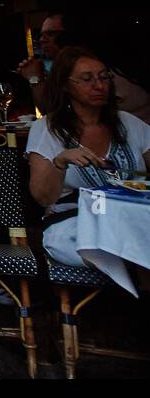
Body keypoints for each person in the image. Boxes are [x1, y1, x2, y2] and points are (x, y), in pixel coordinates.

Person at [26, 47, 150, 267]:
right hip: (75, 223)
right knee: (121, 249)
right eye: (86, 79)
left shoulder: (128, 123)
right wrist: (60, 162)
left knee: (135, 242)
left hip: (132, 219)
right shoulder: (47, 129)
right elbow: (43, 198)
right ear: (65, 85)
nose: (99, 85)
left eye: (104, 77)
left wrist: (132, 182)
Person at [18, 12, 150, 123]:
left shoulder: (97, 69)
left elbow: (58, 119)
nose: (42, 40)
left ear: (71, 36)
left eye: (51, 34)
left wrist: (35, 78)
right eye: (41, 35)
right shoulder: (74, 67)